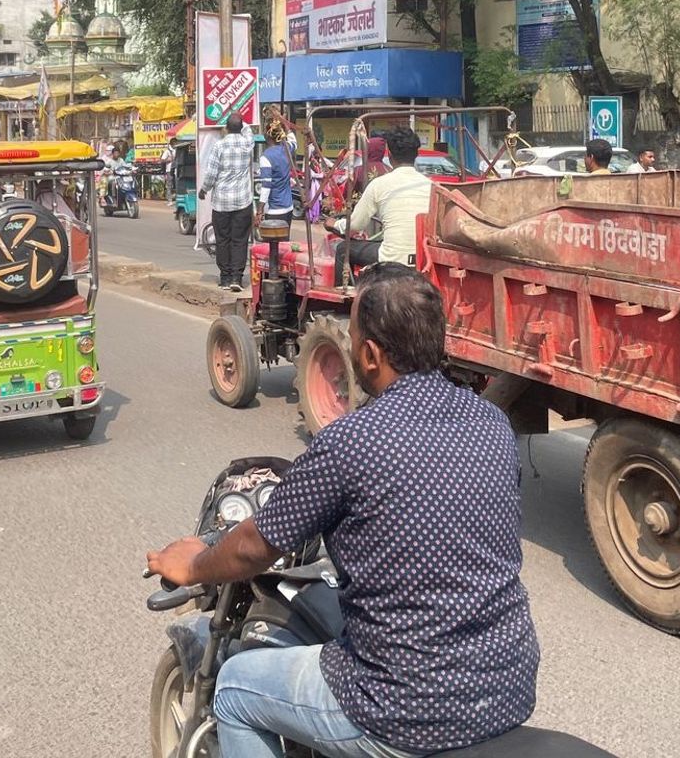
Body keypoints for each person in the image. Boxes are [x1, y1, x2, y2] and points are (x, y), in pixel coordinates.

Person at [146, 264, 540, 758]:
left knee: (236, 687)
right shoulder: (491, 422)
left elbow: (251, 549)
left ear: (370, 354)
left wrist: (193, 562)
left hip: (404, 708)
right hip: (510, 680)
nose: (352, 348)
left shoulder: (351, 442)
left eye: (353, 337)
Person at [325, 127, 431, 286]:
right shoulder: (431, 184)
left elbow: (354, 225)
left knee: (342, 249)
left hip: (392, 257)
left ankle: (345, 305)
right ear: (416, 154)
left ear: (389, 153)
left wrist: (334, 224)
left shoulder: (377, 183)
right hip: (424, 257)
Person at [199, 114, 256, 291]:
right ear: (239, 128)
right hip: (242, 202)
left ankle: (225, 278)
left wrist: (204, 190)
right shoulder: (248, 143)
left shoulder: (219, 145)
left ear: (227, 128)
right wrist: (240, 120)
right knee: (240, 240)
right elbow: (247, 130)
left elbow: (211, 174)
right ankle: (236, 279)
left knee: (222, 240)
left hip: (221, 202)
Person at [256, 124, 294, 231]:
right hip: (288, 208)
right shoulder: (287, 149)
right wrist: (285, 125)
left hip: (274, 211)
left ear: (267, 136)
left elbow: (266, 187)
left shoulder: (266, 157)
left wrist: (259, 211)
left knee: (273, 245)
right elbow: (293, 140)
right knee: (285, 243)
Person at [160, 137, 178, 203]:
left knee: (177, 185)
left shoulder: (177, 150)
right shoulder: (167, 151)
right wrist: (168, 160)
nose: (176, 144)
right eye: (175, 143)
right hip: (169, 170)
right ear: (172, 144)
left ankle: (176, 199)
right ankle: (169, 200)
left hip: (176, 170)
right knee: (169, 185)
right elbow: (162, 160)